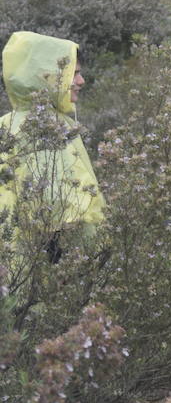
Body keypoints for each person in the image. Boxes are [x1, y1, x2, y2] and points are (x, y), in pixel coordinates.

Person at [1, 31, 105, 249]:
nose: (81, 81)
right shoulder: (49, 127)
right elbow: (57, 212)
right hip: (35, 259)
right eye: (73, 74)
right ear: (46, 76)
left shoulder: (7, 123)